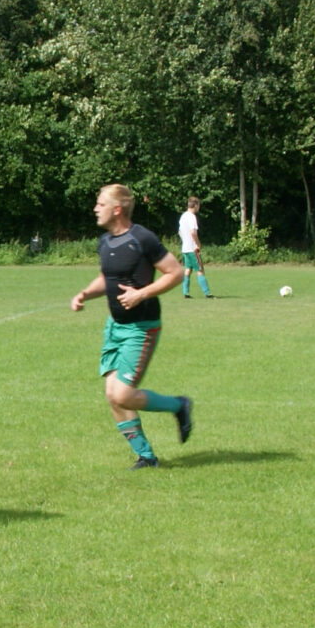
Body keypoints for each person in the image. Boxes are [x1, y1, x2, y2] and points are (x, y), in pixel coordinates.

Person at [70, 183, 193, 468]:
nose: (95, 209)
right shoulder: (105, 242)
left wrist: (141, 294)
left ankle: (179, 405)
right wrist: (85, 293)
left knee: (123, 394)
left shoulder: (142, 238)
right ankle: (146, 457)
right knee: (113, 396)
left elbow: (174, 273)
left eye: (100, 204)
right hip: (115, 326)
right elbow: (107, 278)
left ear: (117, 209)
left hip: (141, 327)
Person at [177, 196, 214, 298]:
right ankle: (207, 293)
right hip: (193, 249)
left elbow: (179, 232)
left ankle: (186, 293)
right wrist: (198, 244)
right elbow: (193, 232)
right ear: (196, 205)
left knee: (188, 269)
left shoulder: (183, 216)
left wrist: (185, 241)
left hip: (185, 248)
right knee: (200, 270)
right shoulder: (192, 217)